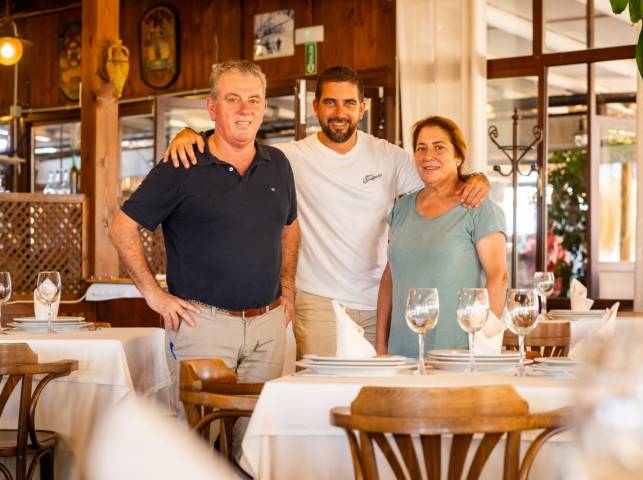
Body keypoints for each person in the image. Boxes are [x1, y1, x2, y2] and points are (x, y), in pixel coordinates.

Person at [163, 66, 489, 358]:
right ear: (316, 107)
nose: (339, 112)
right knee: (323, 399)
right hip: (318, 302)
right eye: (330, 102)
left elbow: (438, 176)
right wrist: (194, 134)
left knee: (377, 396)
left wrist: (476, 178)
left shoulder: (389, 156)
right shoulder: (289, 157)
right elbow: (238, 144)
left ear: (362, 108)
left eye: (349, 103)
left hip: (380, 300)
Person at [109, 59, 298, 398]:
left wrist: (288, 290)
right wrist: (154, 295)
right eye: (233, 99)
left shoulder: (279, 165)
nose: (245, 109)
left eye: (254, 100)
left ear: (264, 107)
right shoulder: (182, 164)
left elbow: (290, 227)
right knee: (199, 439)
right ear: (212, 107)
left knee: (255, 439)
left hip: (268, 327)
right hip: (203, 326)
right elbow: (121, 226)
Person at [376, 116, 508, 358]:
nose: (428, 156)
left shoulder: (478, 206)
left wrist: (483, 346)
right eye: (421, 148)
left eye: (439, 147)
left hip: (458, 354)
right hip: (400, 354)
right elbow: (389, 278)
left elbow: (498, 277)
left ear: (458, 156)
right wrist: (381, 345)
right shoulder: (402, 207)